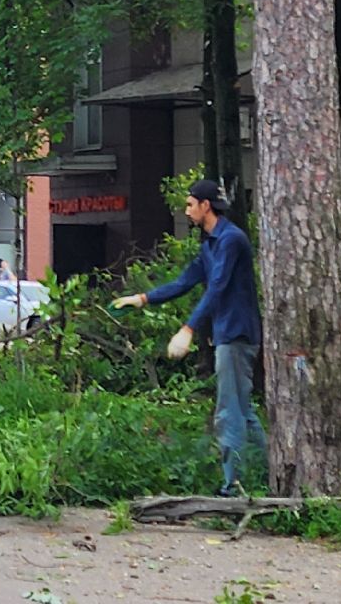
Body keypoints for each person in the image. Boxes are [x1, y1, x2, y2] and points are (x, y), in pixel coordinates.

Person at [113, 179, 265, 496]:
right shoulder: (210, 244)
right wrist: (141, 299)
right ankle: (265, 475)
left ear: (205, 206)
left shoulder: (231, 240)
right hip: (227, 334)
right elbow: (184, 282)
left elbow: (218, 287)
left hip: (236, 334)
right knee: (242, 410)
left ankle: (233, 487)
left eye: (190, 204)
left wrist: (188, 329)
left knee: (228, 411)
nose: (186, 211)